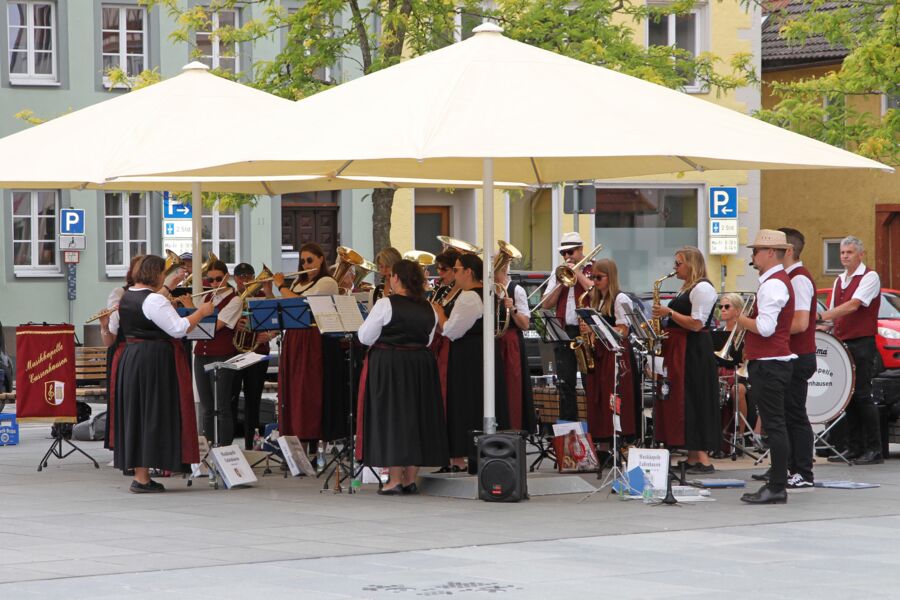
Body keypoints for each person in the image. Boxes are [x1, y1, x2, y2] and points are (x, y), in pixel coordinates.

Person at [108, 254, 213, 493]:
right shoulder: (154, 300)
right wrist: (202, 312)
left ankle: (140, 474)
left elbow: (150, 308)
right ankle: (143, 478)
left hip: (133, 358)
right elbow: (178, 329)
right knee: (151, 414)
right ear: (156, 274)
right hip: (152, 362)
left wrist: (169, 287)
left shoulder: (129, 295)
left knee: (138, 414)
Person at [357, 259, 449, 495]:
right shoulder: (429, 307)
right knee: (417, 417)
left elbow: (365, 337)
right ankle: (410, 479)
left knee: (393, 417)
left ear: (396, 278)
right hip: (420, 365)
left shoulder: (386, 304)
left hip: (391, 365)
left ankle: (393, 480)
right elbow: (428, 340)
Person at [737, 230, 796, 504]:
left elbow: (765, 327)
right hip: (772, 362)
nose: (753, 255)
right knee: (776, 425)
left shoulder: (773, 285)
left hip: (771, 364)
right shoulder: (773, 282)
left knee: (775, 426)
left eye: (756, 250)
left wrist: (739, 319)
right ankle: (777, 483)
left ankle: (776, 486)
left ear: (770, 253)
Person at [652, 246, 719, 474]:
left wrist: (668, 313)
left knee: (695, 397)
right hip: (682, 348)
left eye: (679, 263)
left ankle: (703, 458)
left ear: (691, 264)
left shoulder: (702, 288)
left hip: (694, 350)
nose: (675, 268)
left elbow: (697, 323)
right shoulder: (687, 288)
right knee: (685, 398)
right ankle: (692, 457)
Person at [818, 235, 883, 465]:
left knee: (863, 395)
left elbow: (854, 305)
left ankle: (874, 449)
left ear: (860, 254)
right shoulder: (839, 280)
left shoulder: (870, 276)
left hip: (862, 342)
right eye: (843, 252)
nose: (844, 256)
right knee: (849, 396)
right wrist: (820, 325)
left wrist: (822, 315)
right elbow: (835, 312)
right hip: (843, 342)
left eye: (849, 252)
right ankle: (854, 447)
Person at [273, 243, 343, 442]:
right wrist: (270, 291)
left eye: (309, 260)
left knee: (307, 390)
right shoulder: (297, 282)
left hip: (313, 339)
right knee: (292, 391)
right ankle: (293, 441)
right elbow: (282, 306)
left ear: (321, 259)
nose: (305, 264)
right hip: (293, 338)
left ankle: (311, 437)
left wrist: (281, 286)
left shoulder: (327, 282)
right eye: (302, 261)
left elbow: (300, 303)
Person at [433, 253, 486, 470]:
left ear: (468, 272)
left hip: (466, 354)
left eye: (456, 269)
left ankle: (459, 458)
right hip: (478, 353)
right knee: (474, 402)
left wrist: (439, 313)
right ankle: (462, 457)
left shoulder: (469, 296)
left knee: (462, 403)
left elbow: (451, 331)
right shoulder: (488, 292)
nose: (454, 274)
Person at [777, 227, 818, 489]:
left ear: (788, 251)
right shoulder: (788, 277)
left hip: (799, 354)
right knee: (786, 414)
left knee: (795, 415)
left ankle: (802, 471)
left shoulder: (799, 279)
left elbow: (801, 322)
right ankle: (787, 467)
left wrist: (768, 327)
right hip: (790, 354)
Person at [580, 258, 637, 441]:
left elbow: (623, 330)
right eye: (593, 277)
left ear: (610, 277)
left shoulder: (620, 298)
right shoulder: (598, 299)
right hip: (601, 352)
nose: (595, 282)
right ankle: (602, 442)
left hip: (615, 354)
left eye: (599, 278)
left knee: (613, 397)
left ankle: (618, 440)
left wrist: (595, 327)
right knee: (599, 399)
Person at [539, 232, 593, 421]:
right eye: (563, 253)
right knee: (564, 382)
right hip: (564, 330)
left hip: (588, 332)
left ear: (581, 250)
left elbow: (598, 295)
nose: (567, 257)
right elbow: (545, 303)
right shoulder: (558, 272)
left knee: (590, 382)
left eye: (570, 252)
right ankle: (569, 429)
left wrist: (577, 274)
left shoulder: (593, 269)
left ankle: (595, 428)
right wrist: (562, 283)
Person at [190, 260, 243, 447]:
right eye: (210, 280)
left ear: (226, 278)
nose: (213, 284)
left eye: (218, 279)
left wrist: (192, 312)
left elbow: (217, 326)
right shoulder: (207, 298)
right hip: (201, 355)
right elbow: (193, 325)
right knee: (206, 406)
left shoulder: (235, 300)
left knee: (221, 405)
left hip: (222, 356)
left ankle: (225, 448)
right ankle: (210, 446)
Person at [231, 263, 278, 450]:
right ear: (235, 278)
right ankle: (231, 445)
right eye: (241, 276)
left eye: (249, 275)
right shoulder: (232, 297)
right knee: (232, 398)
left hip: (258, 352)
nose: (245, 279)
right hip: (235, 353)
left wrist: (270, 335)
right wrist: (236, 326)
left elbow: (278, 316)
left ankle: (250, 445)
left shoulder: (260, 297)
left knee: (253, 400)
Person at [495, 260, 535, 432]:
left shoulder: (516, 290)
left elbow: (525, 324)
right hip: (494, 341)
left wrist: (512, 309)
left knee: (512, 386)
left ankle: (513, 427)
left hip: (510, 342)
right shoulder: (489, 288)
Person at [716, 293, 757, 448]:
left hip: (741, 373)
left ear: (738, 310)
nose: (723, 310)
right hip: (722, 371)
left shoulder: (746, 331)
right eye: (721, 306)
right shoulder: (719, 331)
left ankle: (739, 435)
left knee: (737, 390)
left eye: (727, 306)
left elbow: (746, 358)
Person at [429, 248, 462, 405]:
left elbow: (451, 326)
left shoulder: (463, 293)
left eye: (444, 269)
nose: (440, 273)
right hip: (436, 345)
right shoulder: (441, 290)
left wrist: (439, 313)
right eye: (438, 268)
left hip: (452, 348)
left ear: (455, 271)